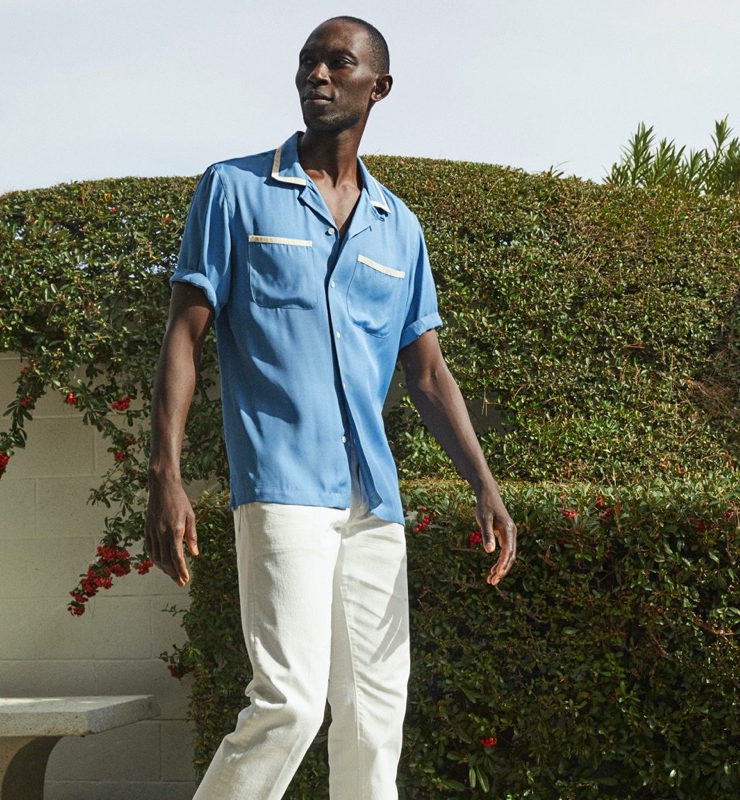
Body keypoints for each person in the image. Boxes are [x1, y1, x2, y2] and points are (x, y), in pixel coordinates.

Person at [144, 15, 517, 800]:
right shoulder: (235, 190)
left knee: (377, 711)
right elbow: (185, 335)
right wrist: (164, 473)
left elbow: (427, 373)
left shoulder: (399, 226)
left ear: (377, 86)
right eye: (307, 61)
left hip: (372, 499)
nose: (316, 74)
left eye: (337, 62)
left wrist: (485, 484)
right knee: (288, 705)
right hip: (281, 483)